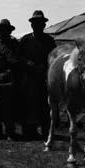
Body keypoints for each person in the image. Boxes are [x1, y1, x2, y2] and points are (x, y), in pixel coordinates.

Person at [19, 10, 56, 140]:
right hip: (28, 78)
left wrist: (45, 67)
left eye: (40, 23)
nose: (38, 25)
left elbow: (54, 58)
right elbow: (19, 57)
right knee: (28, 104)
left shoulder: (49, 40)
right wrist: (28, 63)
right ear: (31, 25)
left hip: (44, 77)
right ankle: (29, 131)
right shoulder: (25, 40)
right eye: (35, 23)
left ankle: (46, 131)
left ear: (44, 25)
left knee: (44, 105)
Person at [0, 18, 20, 139]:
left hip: (10, 76)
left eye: (6, 30)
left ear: (9, 31)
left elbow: (18, 59)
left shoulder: (14, 43)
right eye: (1, 29)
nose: (3, 32)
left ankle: (10, 131)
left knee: (9, 107)